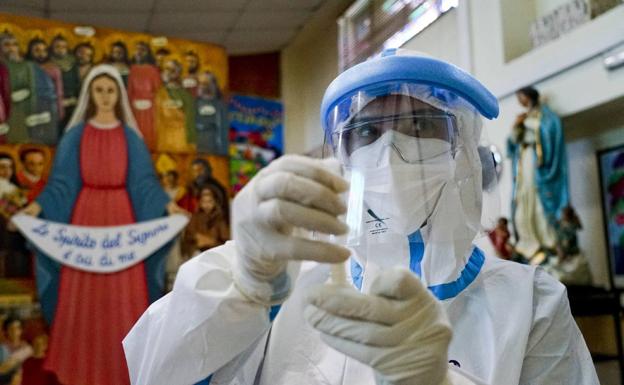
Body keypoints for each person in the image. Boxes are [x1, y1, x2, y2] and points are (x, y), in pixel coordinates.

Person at [124, 50, 598, 384]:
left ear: (468, 156)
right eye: (367, 131)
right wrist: (242, 284)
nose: (389, 151)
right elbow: (157, 370)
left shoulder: (530, 302)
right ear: (344, 155)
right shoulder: (284, 291)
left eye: (420, 125)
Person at [17, 64, 186, 385]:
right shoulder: (76, 135)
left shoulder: (129, 138)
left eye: (111, 90)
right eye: (99, 90)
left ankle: (126, 368)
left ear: (118, 95)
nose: (105, 97)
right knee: (84, 296)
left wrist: (170, 206)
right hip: (86, 220)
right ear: (90, 94)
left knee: (124, 296)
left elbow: (145, 184)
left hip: (123, 222)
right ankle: (79, 367)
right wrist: (34, 209)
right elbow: (62, 184)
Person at [507, 86, 568, 259]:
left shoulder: (545, 116)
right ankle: (528, 242)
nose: (520, 101)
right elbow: (512, 143)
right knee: (523, 200)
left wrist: (532, 129)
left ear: (528, 96)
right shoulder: (524, 117)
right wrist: (516, 127)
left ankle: (546, 242)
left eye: (521, 97)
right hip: (523, 160)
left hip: (535, 162)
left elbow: (549, 133)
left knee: (537, 199)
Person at [181, 185, 229, 258]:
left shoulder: (220, 218)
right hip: (197, 251)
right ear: (200, 203)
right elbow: (188, 235)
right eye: (204, 201)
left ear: (215, 202)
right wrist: (197, 237)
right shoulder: (195, 217)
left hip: (215, 251)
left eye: (210, 201)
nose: (207, 205)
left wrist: (211, 242)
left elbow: (226, 240)